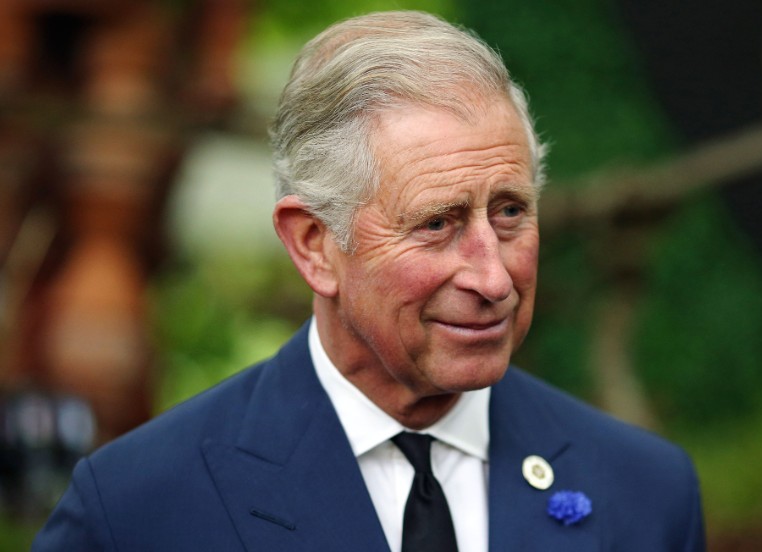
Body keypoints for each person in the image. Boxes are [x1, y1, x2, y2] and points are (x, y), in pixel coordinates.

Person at [33, 11, 705, 551]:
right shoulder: (137, 509)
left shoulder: (644, 493)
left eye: (509, 212)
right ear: (314, 244)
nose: (494, 277)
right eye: (438, 223)